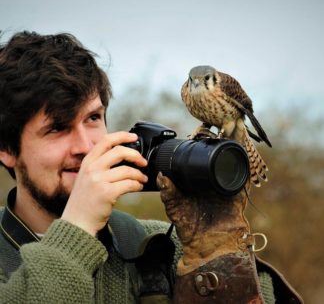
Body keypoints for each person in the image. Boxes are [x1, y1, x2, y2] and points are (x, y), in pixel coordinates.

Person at [0, 31, 302, 303]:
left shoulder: (160, 246)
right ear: (6, 149)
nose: (86, 147)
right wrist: (77, 227)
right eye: (56, 128)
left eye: (92, 119)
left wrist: (219, 257)